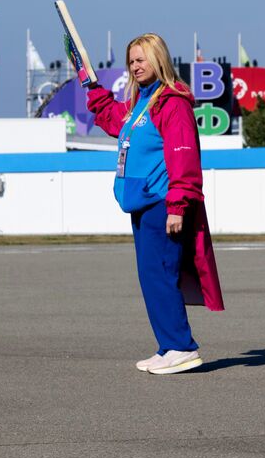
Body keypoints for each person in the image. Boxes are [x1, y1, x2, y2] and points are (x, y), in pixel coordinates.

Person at [86, 33, 224, 375]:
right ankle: (168, 345)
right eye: (131, 60)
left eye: (142, 59)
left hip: (163, 204)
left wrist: (178, 205)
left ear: (158, 59)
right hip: (141, 204)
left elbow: (183, 156)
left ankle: (181, 346)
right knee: (151, 276)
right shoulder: (141, 104)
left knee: (160, 274)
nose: (135, 66)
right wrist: (92, 86)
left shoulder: (171, 102)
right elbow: (112, 119)